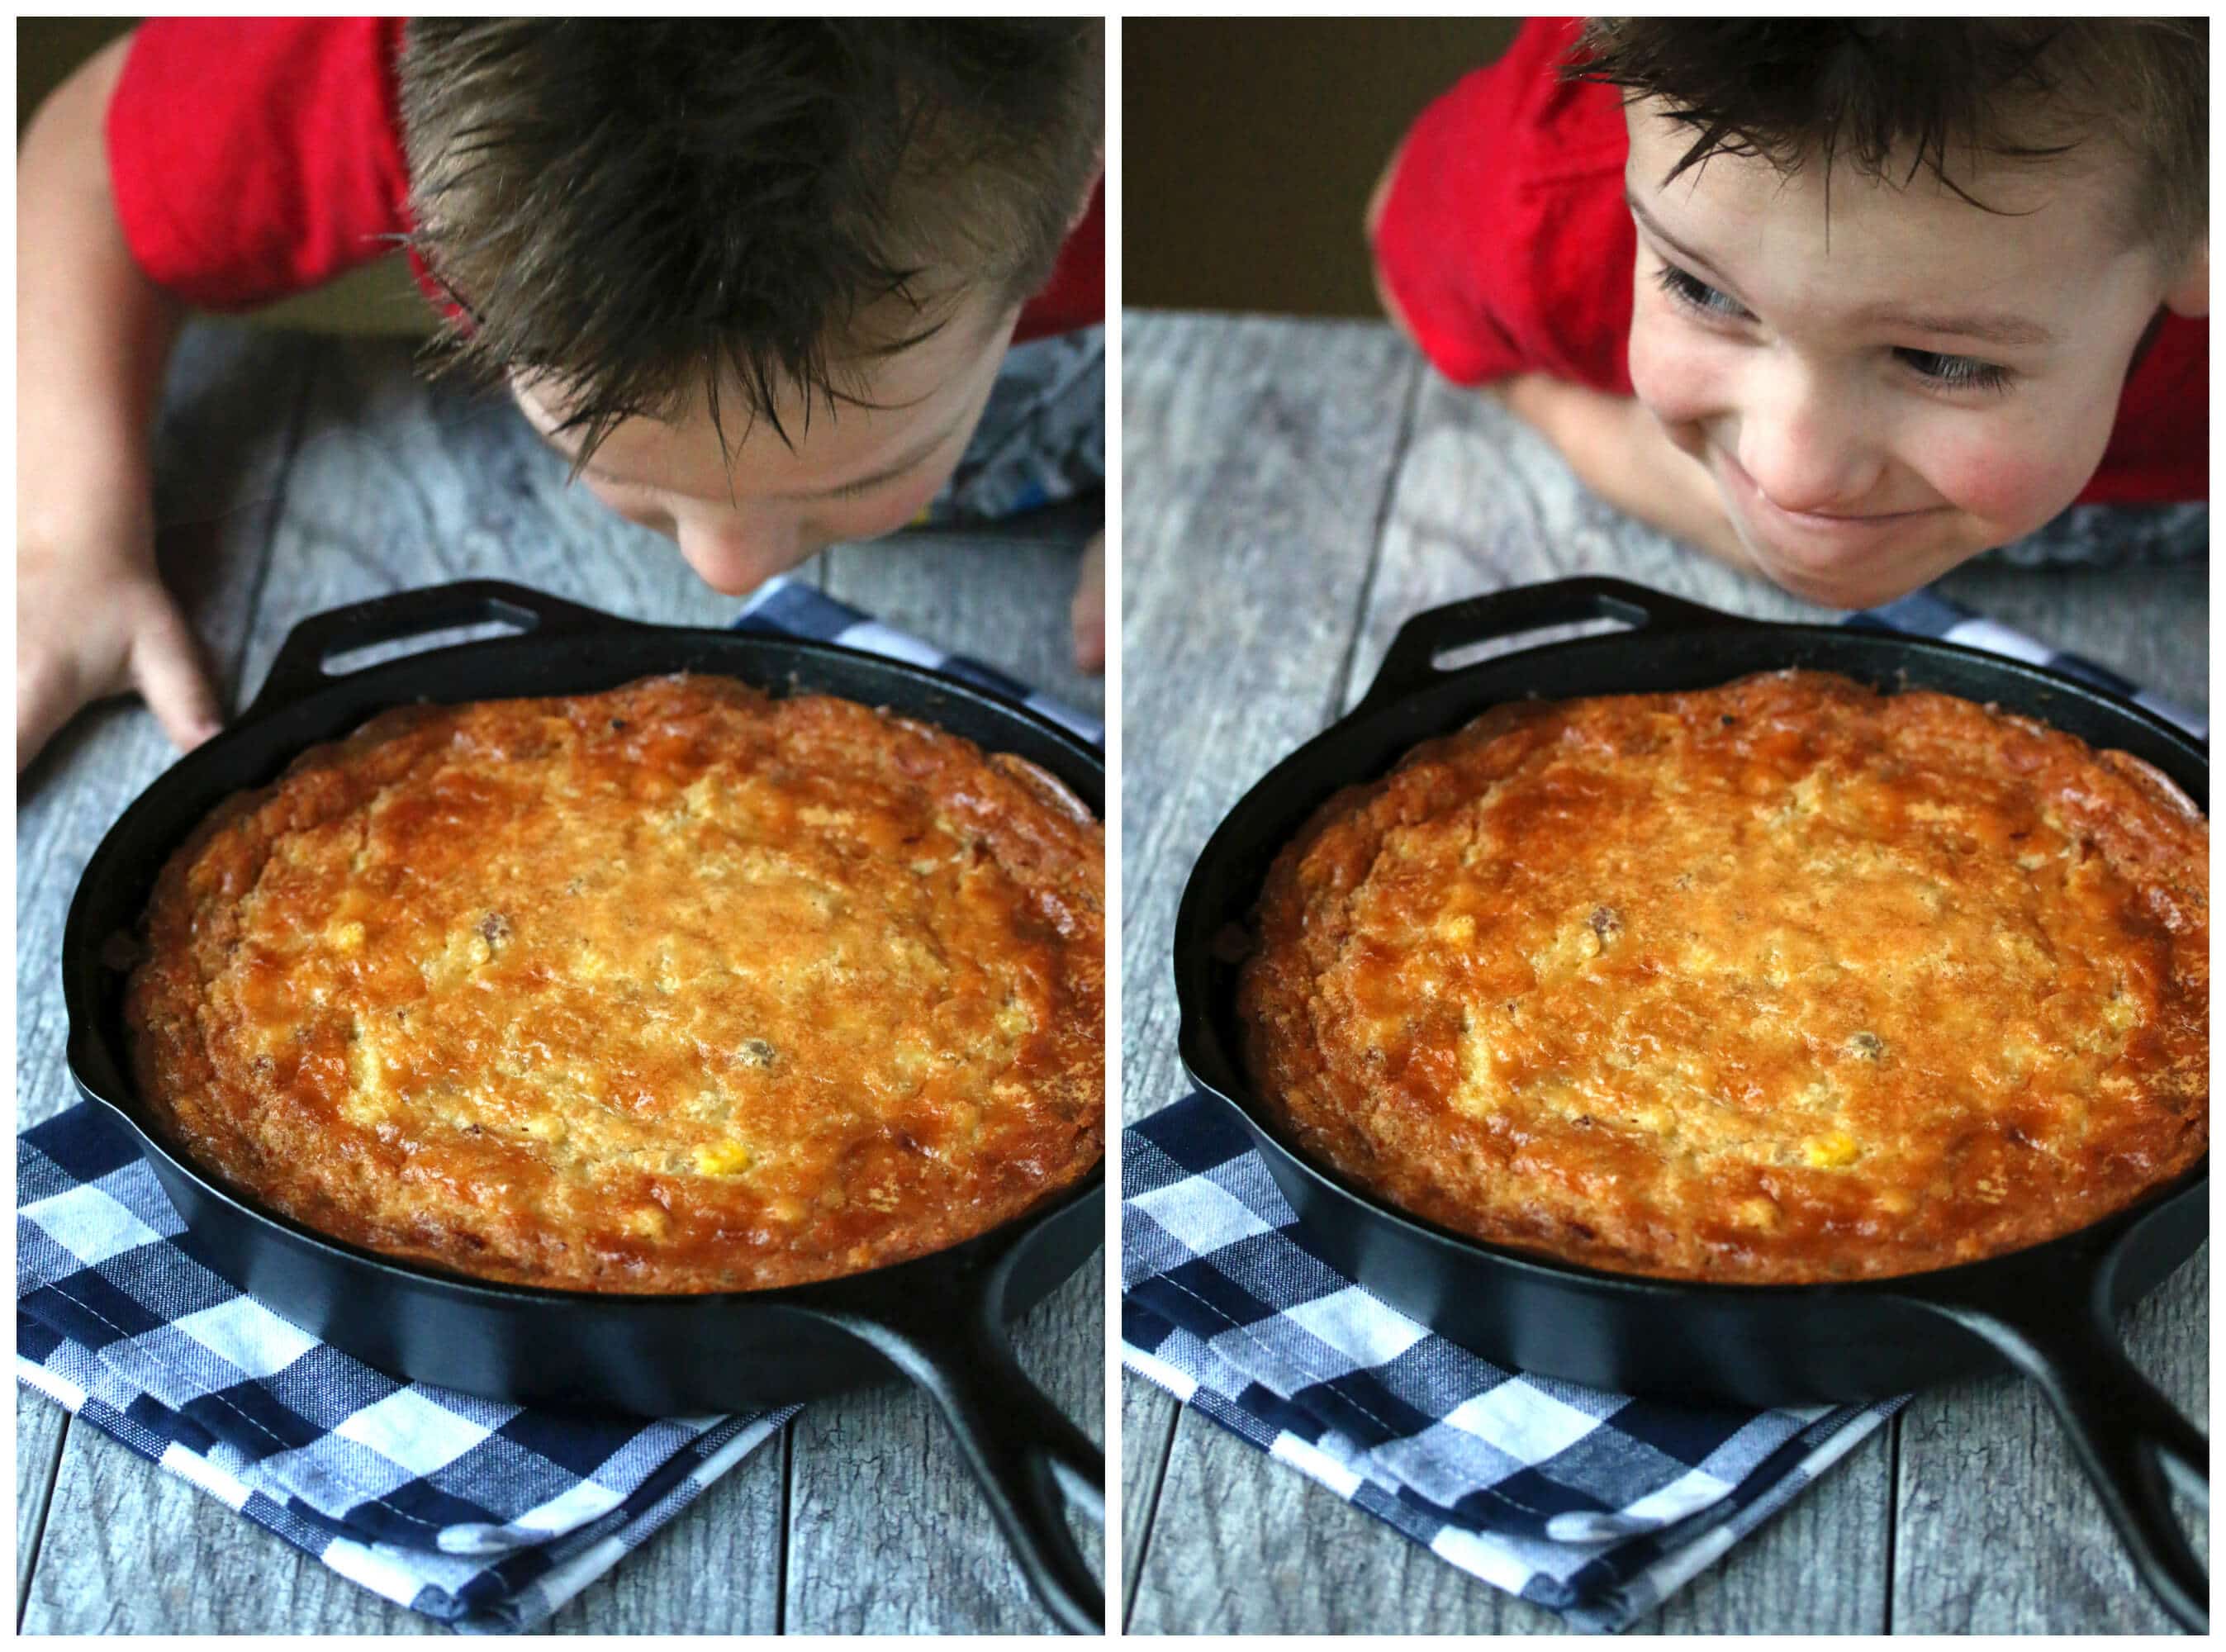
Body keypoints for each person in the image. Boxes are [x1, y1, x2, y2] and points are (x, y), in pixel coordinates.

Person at [18, 19, 1105, 769]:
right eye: (624, 471)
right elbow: (85, 168)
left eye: (859, 475)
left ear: (1071, 214)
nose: (725, 573)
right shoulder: (395, 78)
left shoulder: (1085, 166)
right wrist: (65, 537)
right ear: (434, 241)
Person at [1367, 18, 2207, 610]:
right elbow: (1393, 231)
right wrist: (1626, 454)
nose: (1789, 471)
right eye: (1701, 292)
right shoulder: (1552, 202)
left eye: (1938, 361)